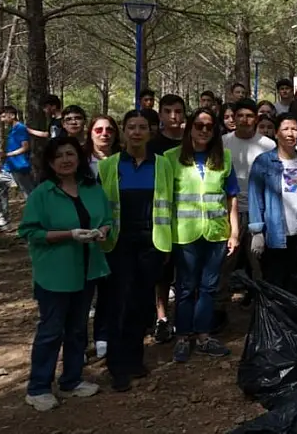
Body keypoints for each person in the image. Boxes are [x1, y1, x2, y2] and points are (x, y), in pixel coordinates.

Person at [19, 136, 112, 411]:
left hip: (87, 269)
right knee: (51, 330)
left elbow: (107, 218)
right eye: (59, 156)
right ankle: (38, 388)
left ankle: (71, 380)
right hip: (54, 274)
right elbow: (29, 232)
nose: (66, 160)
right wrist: (68, 235)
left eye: (70, 154)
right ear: (50, 162)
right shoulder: (42, 194)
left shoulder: (92, 188)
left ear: (79, 158)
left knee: (77, 329)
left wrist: (103, 231)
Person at [97, 110, 176, 392]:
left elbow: (171, 204)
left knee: (143, 303)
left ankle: (134, 359)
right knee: (118, 302)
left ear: (150, 132)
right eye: (132, 127)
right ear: (124, 131)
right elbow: (102, 206)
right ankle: (117, 366)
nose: (137, 132)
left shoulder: (163, 164)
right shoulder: (110, 166)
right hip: (119, 243)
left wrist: (168, 244)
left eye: (143, 127)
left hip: (152, 242)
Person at [165, 108, 240, 362]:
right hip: (184, 234)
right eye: (199, 125)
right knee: (186, 288)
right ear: (190, 128)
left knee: (209, 287)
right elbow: (164, 200)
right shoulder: (170, 158)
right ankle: (183, 337)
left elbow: (231, 199)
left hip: (216, 233)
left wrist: (235, 232)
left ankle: (204, 336)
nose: (204, 130)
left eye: (209, 126)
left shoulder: (224, 158)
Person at [247, 114, 297, 297]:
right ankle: (278, 324)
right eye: (285, 129)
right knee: (276, 283)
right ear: (276, 133)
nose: (291, 134)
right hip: (276, 234)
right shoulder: (264, 162)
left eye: (295, 129)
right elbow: (255, 197)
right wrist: (257, 231)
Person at [218, 99, 276, 329]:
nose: (244, 120)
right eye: (239, 115)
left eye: (249, 116)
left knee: (260, 265)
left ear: (256, 118)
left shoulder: (268, 145)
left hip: (258, 213)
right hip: (227, 212)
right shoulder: (222, 143)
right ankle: (218, 309)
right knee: (224, 264)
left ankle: (264, 312)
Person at [146, 94, 185, 343]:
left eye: (178, 111)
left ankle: (185, 317)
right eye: (168, 111)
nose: (174, 116)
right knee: (162, 273)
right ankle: (161, 318)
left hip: (190, 218)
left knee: (187, 273)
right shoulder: (152, 145)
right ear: (160, 114)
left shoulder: (193, 142)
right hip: (161, 218)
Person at [84, 114, 120, 358]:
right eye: (98, 130)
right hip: (82, 236)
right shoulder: (78, 161)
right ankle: (78, 341)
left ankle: (103, 337)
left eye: (109, 129)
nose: (104, 133)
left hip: (114, 235)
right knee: (82, 294)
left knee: (109, 291)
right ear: (90, 133)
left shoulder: (123, 161)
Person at [0, 105, 36, 231]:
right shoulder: (12, 129)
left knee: (30, 194)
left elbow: (25, 147)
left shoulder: (20, 128)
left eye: (3, 116)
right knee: (0, 191)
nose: (1, 119)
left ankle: (37, 221)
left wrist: (8, 154)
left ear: (12, 115)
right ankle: (4, 221)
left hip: (20, 166)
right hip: (9, 167)